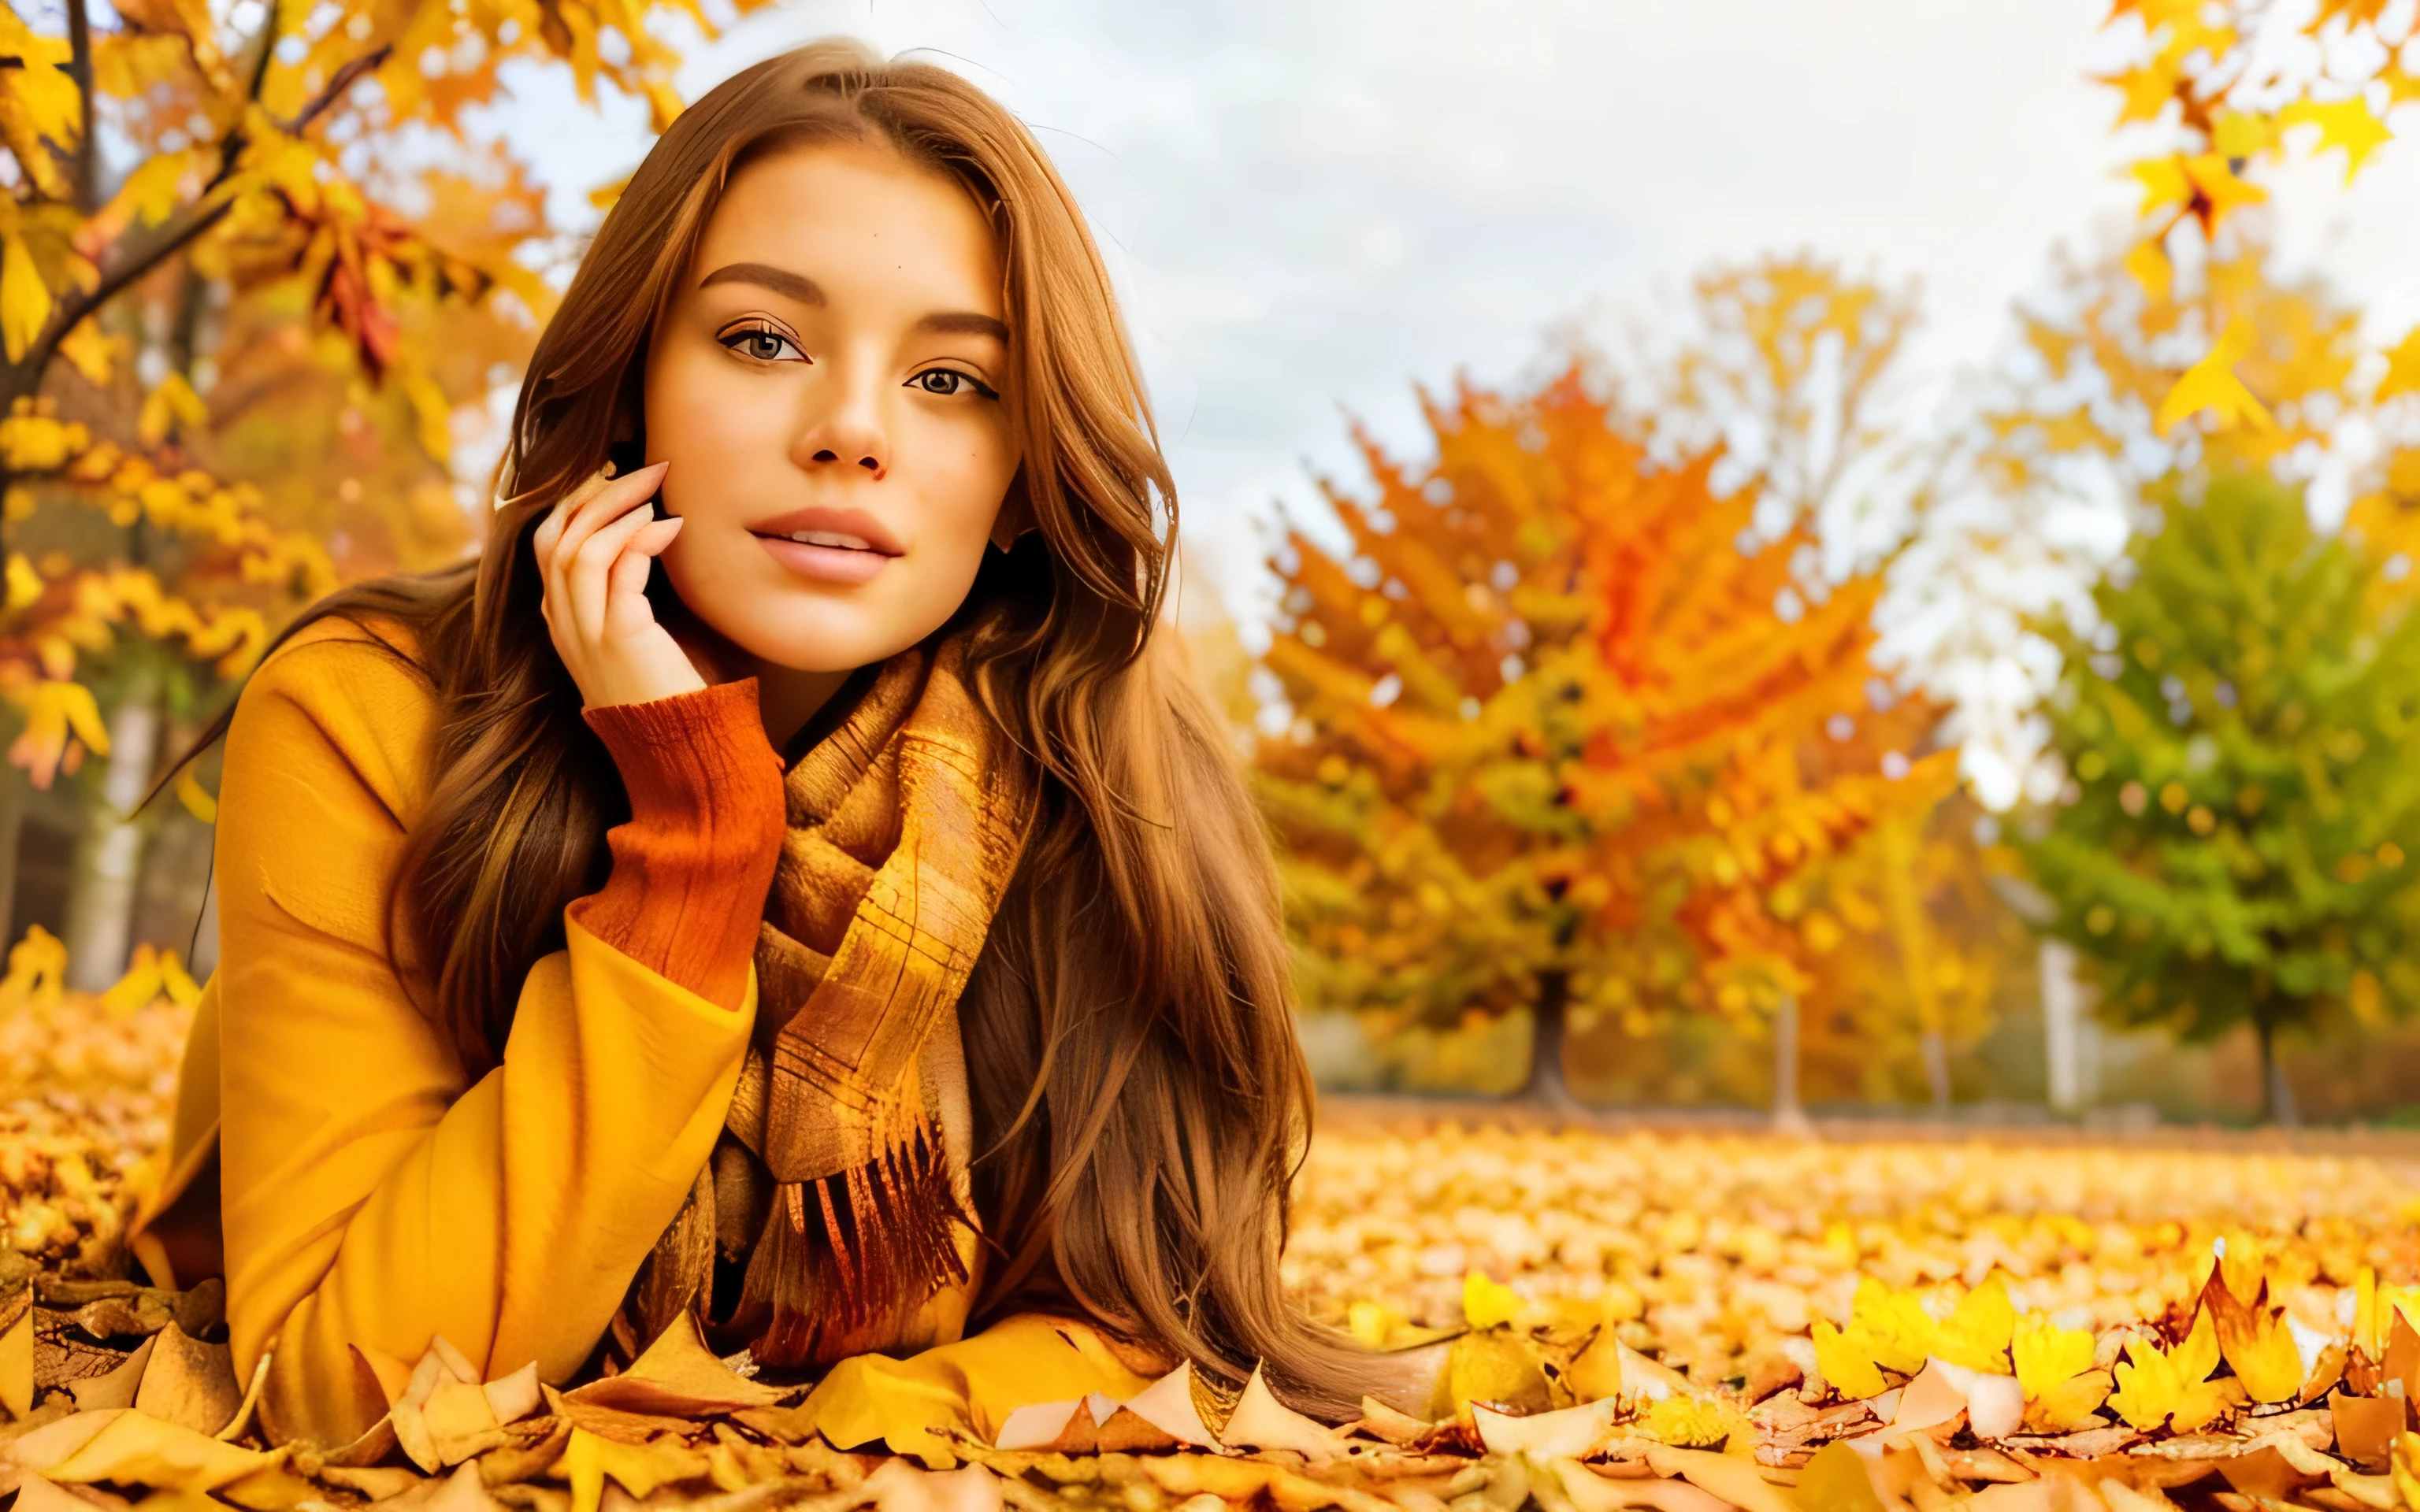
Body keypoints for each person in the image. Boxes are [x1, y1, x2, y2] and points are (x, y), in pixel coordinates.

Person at [125, 38, 1390, 1451]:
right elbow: (339, 1388)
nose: (851, 431)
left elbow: (1150, 1320)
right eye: (762, 341)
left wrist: (884, 1415)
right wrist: (695, 842)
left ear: (1029, 480)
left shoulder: (1111, 782)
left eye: (953, 381)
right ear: (627, 394)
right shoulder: (370, 714)